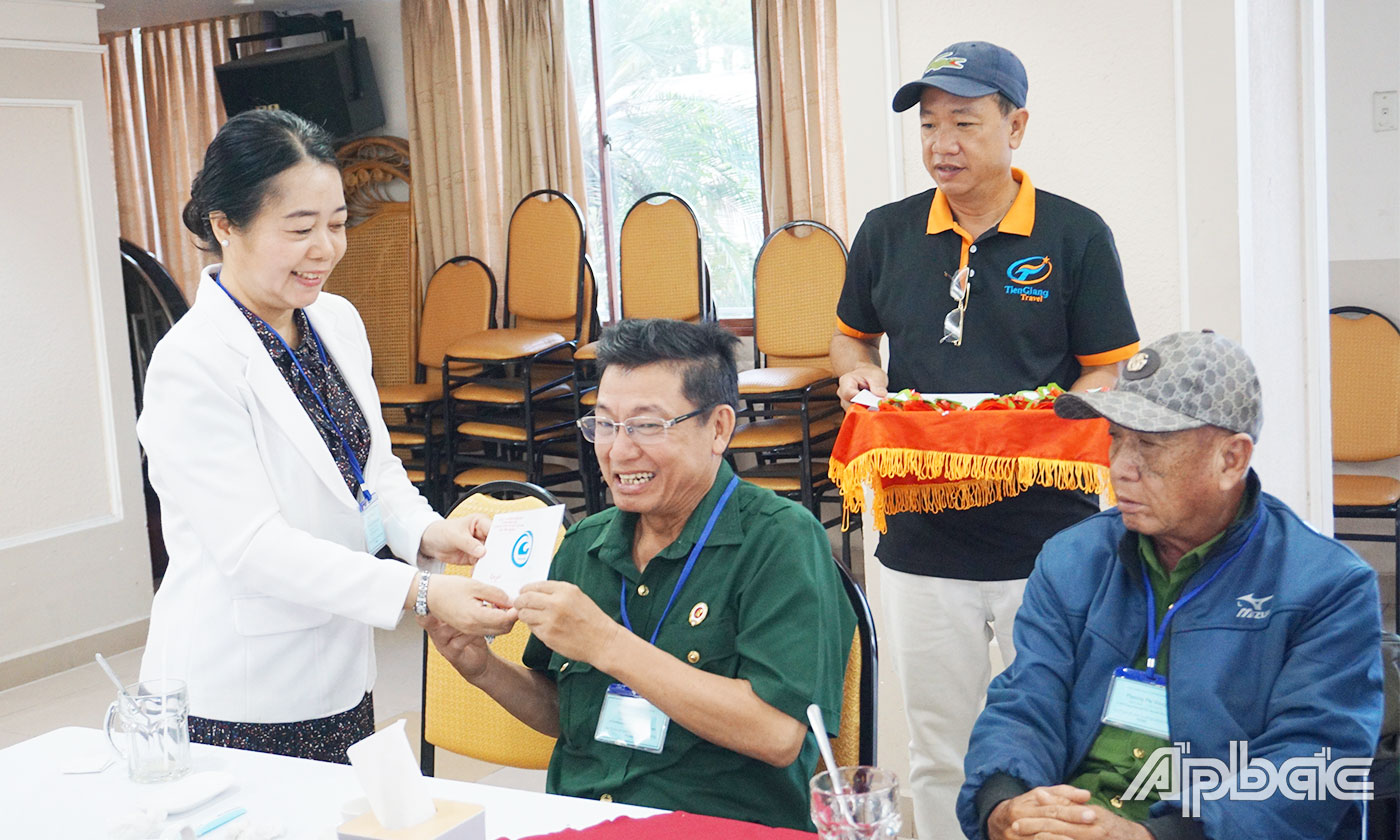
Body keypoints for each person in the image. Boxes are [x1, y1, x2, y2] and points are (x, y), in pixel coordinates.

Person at [829, 40, 1141, 838]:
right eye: (929, 124)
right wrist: (858, 374)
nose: (943, 143)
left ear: (1017, 126)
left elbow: (1107, 368)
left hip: (1051, 541)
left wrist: (1059, 413)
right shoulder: (887, 232)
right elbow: (852, 337)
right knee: (940, 751)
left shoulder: (1074, 234)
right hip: (921, 537)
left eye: (964, 122)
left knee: (1058, 741)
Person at [136, 109, 516, 763]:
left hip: (341, 671)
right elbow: (253, 546)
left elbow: (369, 469)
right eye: (300, 228)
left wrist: (427, 533)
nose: (326, 249)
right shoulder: (190, 364)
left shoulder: (334, 319)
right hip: (239, 692)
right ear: (225, 225)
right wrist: (423, 592)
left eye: (337, 224)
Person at [422, 319, 855, 830]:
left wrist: (607, 644)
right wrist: (483, 669)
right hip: (584, 818)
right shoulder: (585, 545)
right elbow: (566, 712)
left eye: (647, 425)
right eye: (605, 424)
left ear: (718, 429)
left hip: (718, 824)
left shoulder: (780, 541)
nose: (619, 451)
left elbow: (778, 735)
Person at [958, 330, 1385, 840]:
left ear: (1231, 459)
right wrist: (1007, 804)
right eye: (1115, 438)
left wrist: (1152, 836)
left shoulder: (1328, 586)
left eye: (1150, 445)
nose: (1120, 468)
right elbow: (1026, 702)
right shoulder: (1073, 558)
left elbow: (1312, 763)